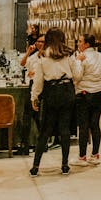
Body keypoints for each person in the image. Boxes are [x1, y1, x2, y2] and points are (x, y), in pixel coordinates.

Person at [29, 28, 81, 177]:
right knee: (65, 129)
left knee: (45, 129)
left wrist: (34, 97)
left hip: (51, 92)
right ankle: (65, 165)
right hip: (66, 92)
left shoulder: (43, 57)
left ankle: (35, 166)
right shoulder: (68, 56)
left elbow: (38, 81)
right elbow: (77, 76)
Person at [72, 34, 101, 166]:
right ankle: (95, 155)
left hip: (84, 93)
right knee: (95, 125)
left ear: (87, 44)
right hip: (99, 93)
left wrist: (77, 61)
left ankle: (82, 157)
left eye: (80, 42)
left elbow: (77, 76)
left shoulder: (82, 57)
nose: (78, 44)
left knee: (83, 126)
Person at [15, 33, 45, 155]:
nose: (40, 44)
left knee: (38, 117)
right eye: (38, 41)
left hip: (43, 88)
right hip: (33, 86)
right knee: (28, 116)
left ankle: (41, 143)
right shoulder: (33, 56)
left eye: (42, 42)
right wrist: (28, 52)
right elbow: (22, 63)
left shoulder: (48, 57)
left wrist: (36, 74)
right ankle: (26, 145)